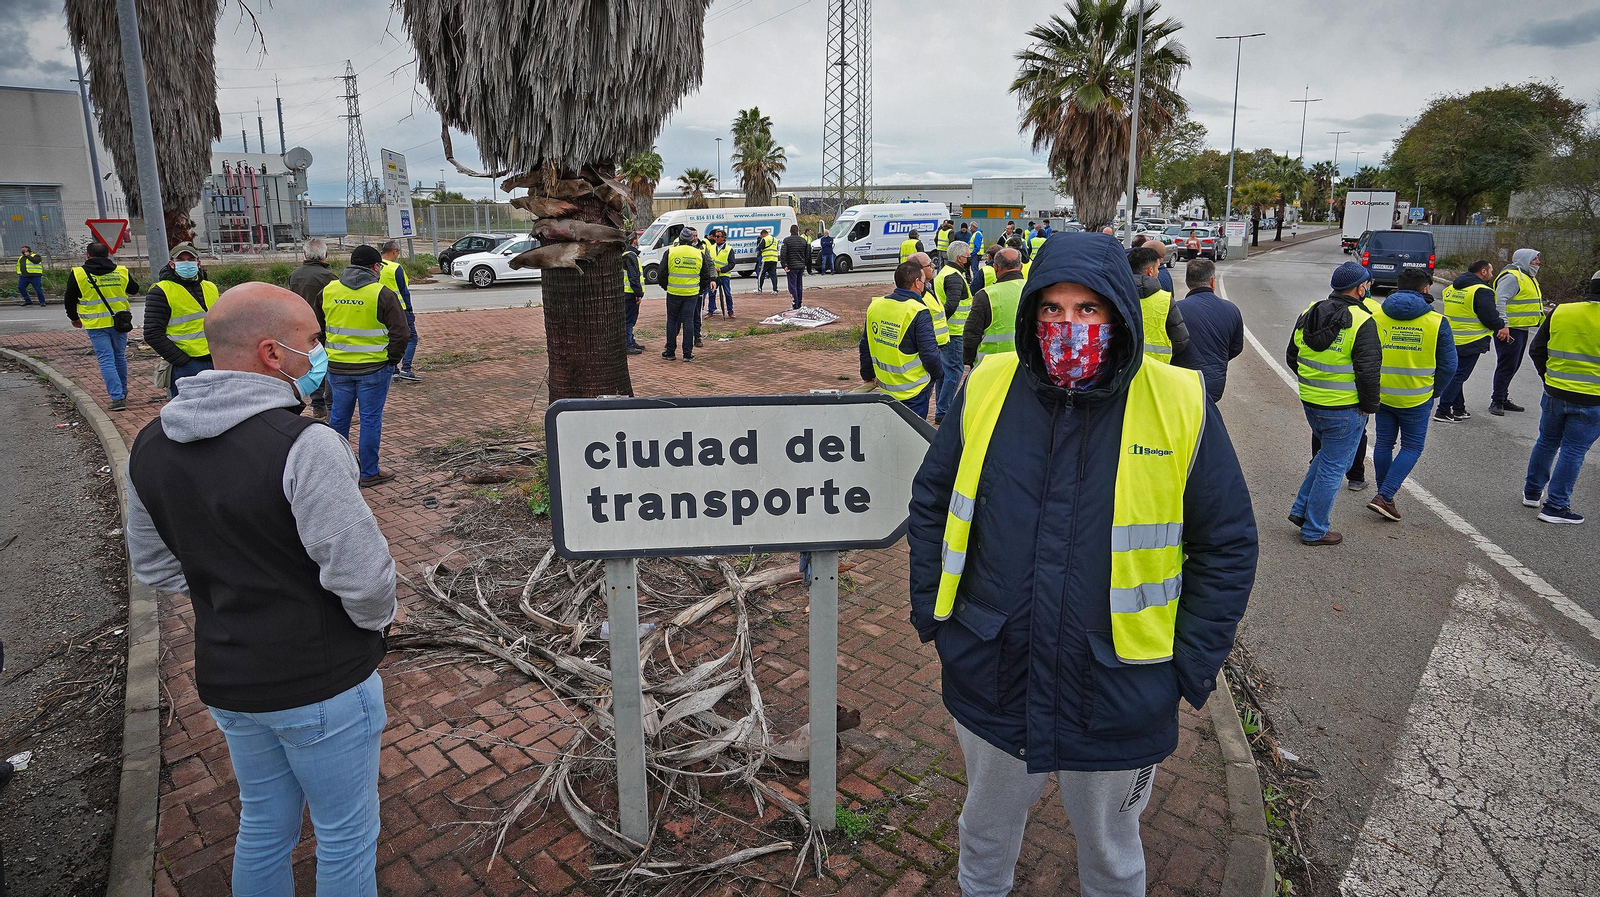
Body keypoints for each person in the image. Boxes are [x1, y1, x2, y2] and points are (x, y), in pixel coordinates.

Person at [908, 232, 1256, 897]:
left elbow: (1227, 542)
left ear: (1120, 312)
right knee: (983, 835)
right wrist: (934, 615)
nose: (1067, 326)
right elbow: (932, 497)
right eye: (1052, 310)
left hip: (1123, 688)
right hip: (992, 672)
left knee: (1112, 856)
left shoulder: (1181, 402)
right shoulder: (987, 387)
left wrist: (1192, 665)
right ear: (1032, 312)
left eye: (1088, 310)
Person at [125, 283, 398, 895]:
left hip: (228, 678)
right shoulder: (306, 444)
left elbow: (156, 565)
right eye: (313, 342)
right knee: (346, 833)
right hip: (321, 679)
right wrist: (372, 623)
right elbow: (364, 578)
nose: (320, 353)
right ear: (274, 354)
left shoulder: (149, 444)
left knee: (265, 822)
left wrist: (231, 584)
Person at [1286, 261, 1382, 545]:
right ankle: (1315, 530)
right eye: (1367, 284)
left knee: (1324, 459)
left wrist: (1312, 383)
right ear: (1360, 287)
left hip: (1312, 402)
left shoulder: (1309, 312)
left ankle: (1301, 511)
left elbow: (1293, 356)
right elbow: (1368, 371)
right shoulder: (1362, 320)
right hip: (1345, 408)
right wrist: (1369, 406)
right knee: (1332, 468)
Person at [1365, 268, 1457, 522]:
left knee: (1384, 444)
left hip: (1382, 394)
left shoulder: (1377, 316)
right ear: (1426, 289)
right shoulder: (1437, 322)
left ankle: (1385, 495)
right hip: (1417, 397)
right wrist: (1434, 392)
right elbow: (1449, 366)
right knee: (1412, 446)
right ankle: (1385, 496)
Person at [318, 244, 410, 487]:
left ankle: (337, 470)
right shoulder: (381, 293)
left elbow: (316, 327)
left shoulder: (329, 290)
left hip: (337, 368)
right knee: (370, 419)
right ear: (375, 267)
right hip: (374, 369)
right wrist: (391, 360)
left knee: (338, 417)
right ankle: (369, 472)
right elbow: (401, 333)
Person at [1522, 269, 1600, 525]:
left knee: (1546, 442)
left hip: (1555, 392)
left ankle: (1532, 493)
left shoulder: (1562, 311)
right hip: (1592, 399)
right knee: (1573, 451)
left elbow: (1537, 349)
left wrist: (1549, 378)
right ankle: (1555, 506)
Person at [860, 257, 944, 418]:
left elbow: (865, 345)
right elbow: (929, 354)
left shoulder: (876, 305)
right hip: (914, 391)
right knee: (912, 437)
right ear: (917, 283)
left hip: (886, 387)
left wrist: (867, 374)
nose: (925, 285)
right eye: (924, 281)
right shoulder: (918, 311)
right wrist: (936, 375)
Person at [63, 242, 141, 410]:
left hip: (96, 324)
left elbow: (69, 299)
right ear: (108, 255)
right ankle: (123, 390)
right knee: (119, 356)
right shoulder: (120, 271)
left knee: (106, 359)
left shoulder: (79, 274)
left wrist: (74, 318)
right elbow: (134, 289)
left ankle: (117, 397)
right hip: (119, 323)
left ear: (87, 255)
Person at [1436, 260, 1506, 422]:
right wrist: (1501, 324)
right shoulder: (1481, 291)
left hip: (1451, 338)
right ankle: (1443, 410)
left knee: (1456, 373)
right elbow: (1490, 318)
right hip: (1472, 339)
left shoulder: (1452, 288)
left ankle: (1458, 408)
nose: (1492, 274)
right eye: (1490, 271)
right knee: (1459, 375)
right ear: (1483, 272)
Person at [145, 242, 218, 397]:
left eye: (191, 259)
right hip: (187, 365)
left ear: (198, 263)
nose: (187, 263)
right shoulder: (161, 290)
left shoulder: (210, 287)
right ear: (172, 264)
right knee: (187, 414)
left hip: (215, 360)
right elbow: (152, 333)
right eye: (181, 260)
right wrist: (182, 360)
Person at [1173, 258, 1243, 402]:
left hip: (1182, 379)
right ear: (1212, 281)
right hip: (1215, 382)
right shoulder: (1231, 309)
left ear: (1187, 281)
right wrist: (1218, 358)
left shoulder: (1176, 309)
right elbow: (1236, 347)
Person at [288, 238, 339, 418]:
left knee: (312, 368)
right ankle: (332, 408)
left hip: (301, 330)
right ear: (325, 255)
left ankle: (318, 406)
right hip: (324, 329)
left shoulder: (294, 275)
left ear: (305, 254)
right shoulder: (329, 278)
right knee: (329, 368)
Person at [1491, 248, 1544, 415]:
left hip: (1520, 329)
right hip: (1510, 330)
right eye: (1535, 259)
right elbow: (1500, 300)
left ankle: (1502, 397)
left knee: (1513, 365)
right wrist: (1503, 325)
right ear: (1524, 260)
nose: (1538, 263)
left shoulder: (1527, 277)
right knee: (1507, 365)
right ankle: (1497, 401)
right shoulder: (1512, 277)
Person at [962, 247, 1027, 365]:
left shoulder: (985, 295)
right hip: (1025, 362)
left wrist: (969, 360)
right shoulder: (1033, 290)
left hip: (991, 364)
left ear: (995, 267)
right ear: (1021, 267)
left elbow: (971, 334)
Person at [1128, 246, 1188, 366]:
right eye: (1157, 268)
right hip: (1157, 367)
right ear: (1150, 271)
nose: (1158, 272)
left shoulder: (1116, 296)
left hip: (1122, 368)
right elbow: (1181, 339)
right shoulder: (1165, 299)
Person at [933, 242, 973, 424]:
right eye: (967, 256)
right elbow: (951, 305)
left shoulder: (945, 273)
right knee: (954, 372)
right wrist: (942, 322)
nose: (969, 259)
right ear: (959, 258)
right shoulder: (954, 277)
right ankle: (944, 411)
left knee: (945, 372)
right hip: (955, 332)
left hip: (948, 331)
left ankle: (942, 409)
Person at [659, 227, 712, 361]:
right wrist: (698, 290)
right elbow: (706, 276)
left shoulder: (670, 252)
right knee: (688, 321)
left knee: (672, 321)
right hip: (691, 293)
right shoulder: (698, 253)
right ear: (692, 240)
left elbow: (661, 274)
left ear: (680, 239)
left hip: (673, 292)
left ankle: (670, 352)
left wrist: (667, 286)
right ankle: (687, 354)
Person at [379, 240, 422, 382]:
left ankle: (393, 370)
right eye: (397, 253)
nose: (397, 256)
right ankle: (406, 368)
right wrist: (410, 310)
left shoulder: (375, 266)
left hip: (380, 309)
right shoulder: (395, 268)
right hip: (400, 309)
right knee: (411, 337)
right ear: (394, 251)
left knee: (388, 338)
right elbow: (404, 291)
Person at [623, 232, 645, 354]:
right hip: (630, 293)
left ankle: (631, 340)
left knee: (630, 319)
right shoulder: (630, 256)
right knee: (630, 320)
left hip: (628, 292)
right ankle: (628, 344)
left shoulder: (627, 254)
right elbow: (634, 277)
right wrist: (638, 293)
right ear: (634, 241)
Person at [706, 228, 736, 317]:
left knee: (727, 294)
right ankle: (710, 311)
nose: (716, 238)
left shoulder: (729, 249)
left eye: (718, 236)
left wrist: (722, 269)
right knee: (712, 293)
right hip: (713, 276)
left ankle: (730, 311)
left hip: (724, 275)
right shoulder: (711, 248)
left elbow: (732, 263)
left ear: (723, 238)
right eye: (715, 236)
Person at [781, 224, 811, 310]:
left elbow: (783, 253)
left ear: (790, 231)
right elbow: (807, 253)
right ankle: (799, 303)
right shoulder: (803, 241)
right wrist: (804, 263)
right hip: (800, 266)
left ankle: (795, 304)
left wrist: (784, 265)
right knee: (799, 285)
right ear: (798, 231)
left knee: (792, 286)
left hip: (791, 266)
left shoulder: (786, 241)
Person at [755, 228, 780, 293]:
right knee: (773, 275)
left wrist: (759, 250)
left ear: (763, 234)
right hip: (774, 259)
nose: (761, 236)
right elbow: (777, 248)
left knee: (761, 274)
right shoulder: (775, 239)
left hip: (766, 259)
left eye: (761, 235)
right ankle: (775, 290)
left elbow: (759, 247)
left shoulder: (765, 239)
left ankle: (759, 289)